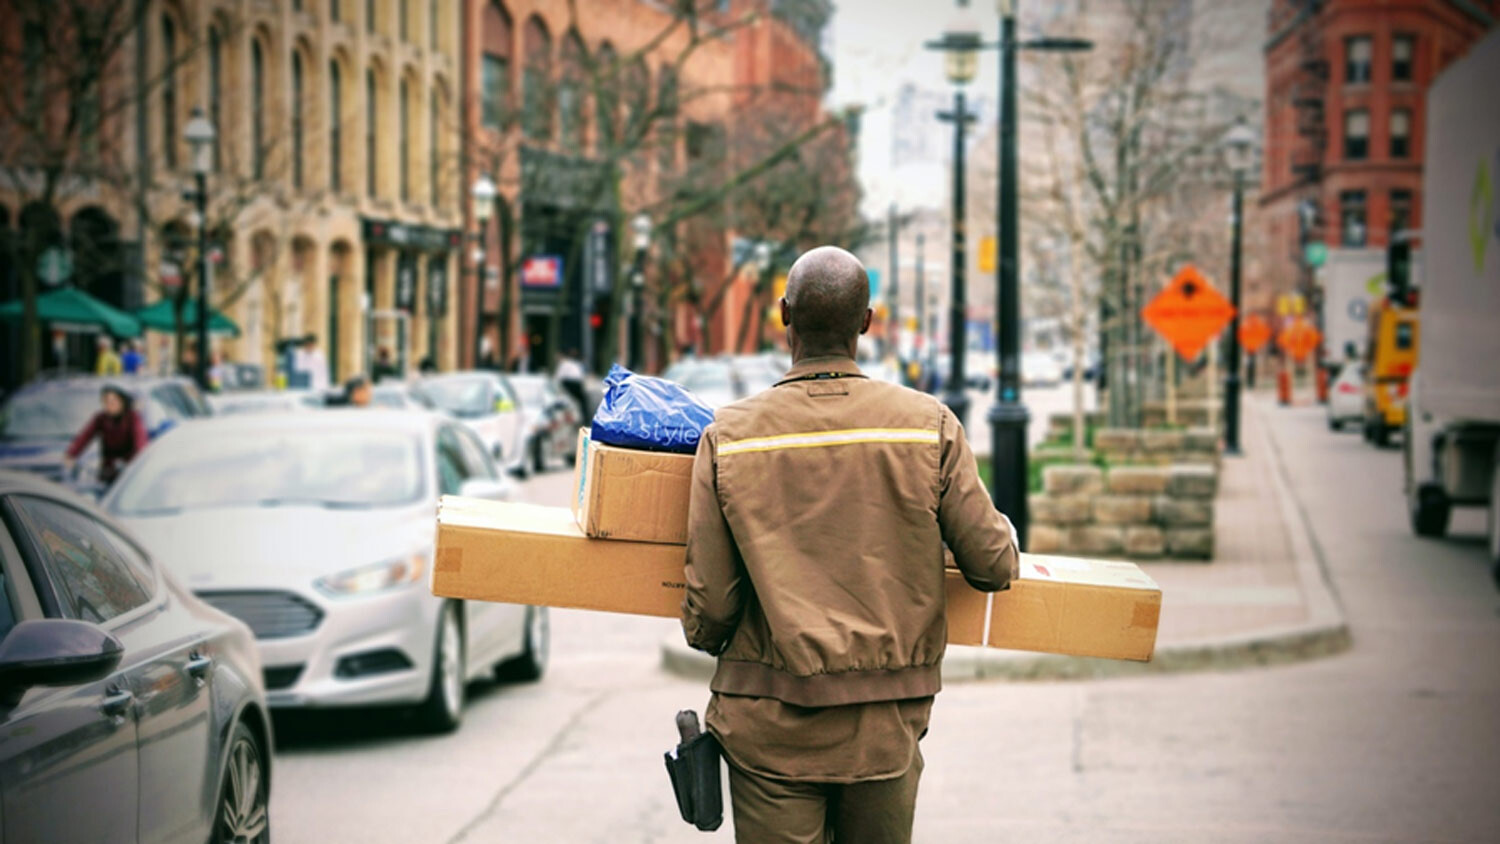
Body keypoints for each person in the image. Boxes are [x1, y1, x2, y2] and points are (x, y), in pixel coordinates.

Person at [681, 246, 1018, 843]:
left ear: (784, 315)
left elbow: (710, 608)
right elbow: (991, 565)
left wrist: (710, 640)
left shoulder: (728, 437)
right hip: (882, 726)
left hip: (768, 724)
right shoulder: (928, 424)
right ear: (867, 321)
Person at [63, 384, 148, 488]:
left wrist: (139, 462)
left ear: (122, 402)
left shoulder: (133, 417)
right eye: (106, 402)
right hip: (108, 470)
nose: (109, 405)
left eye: (113, 402)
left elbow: (140, 440)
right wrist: (71, 454)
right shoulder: (101, 418)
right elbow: (85, 436)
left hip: (129, 470)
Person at [555, 347, 587, 419]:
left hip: (570, 384)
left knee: (576, 401)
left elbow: (559, 377)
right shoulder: (574, 363)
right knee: (581, 402)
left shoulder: (564, 363)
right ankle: (584, 418)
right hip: (575, 384)